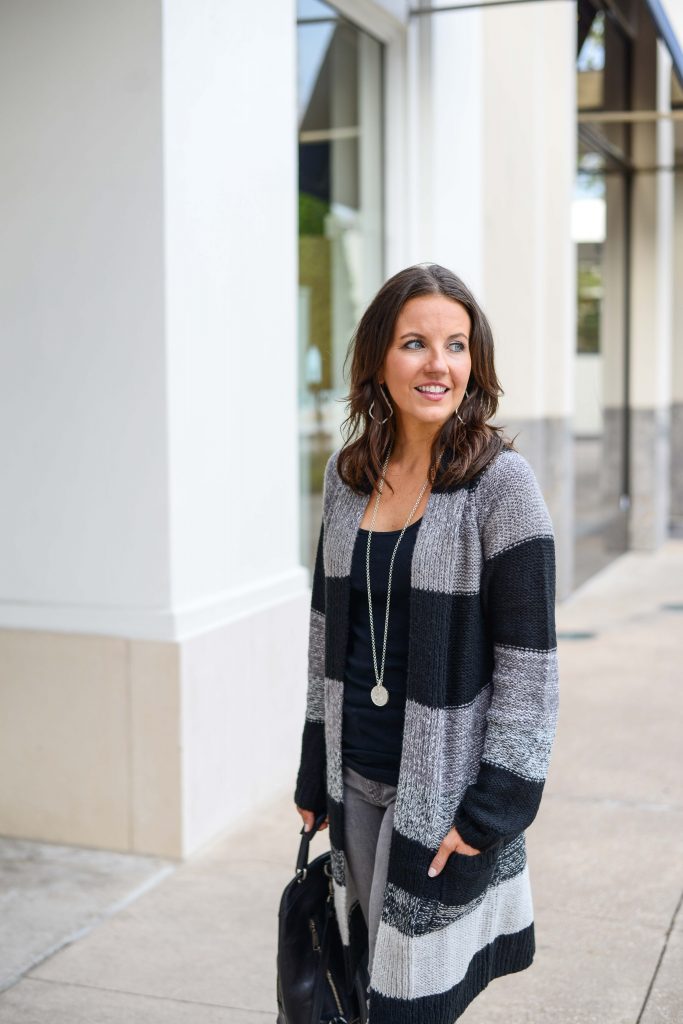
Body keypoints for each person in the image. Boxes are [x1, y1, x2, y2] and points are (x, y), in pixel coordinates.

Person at [294, 263, 559, 1023]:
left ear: (475, 363)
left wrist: (493, 810)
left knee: (412, 999)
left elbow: (530, 669)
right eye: (414, 343)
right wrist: (315, 773)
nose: (437, 364)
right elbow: (325, 640)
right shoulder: (347, 480)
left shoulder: (501, 486)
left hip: (442, 794)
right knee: (370, 975)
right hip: (357, 777)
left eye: (455, 345)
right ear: (379, 356)